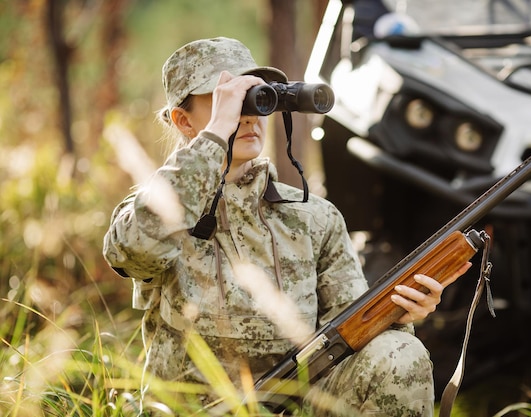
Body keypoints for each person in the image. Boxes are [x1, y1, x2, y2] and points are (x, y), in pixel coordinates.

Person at [102, 37, 471, 417]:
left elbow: (350, 334)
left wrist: (402, 314)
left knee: (399, 354)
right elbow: (133, 250)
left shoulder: (314, 217)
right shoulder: (158, 210)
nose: (248, 115)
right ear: (184, 120)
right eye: (227, 100)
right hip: (192, 409)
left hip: (298, 408)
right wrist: (214, 137)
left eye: (257, 98)